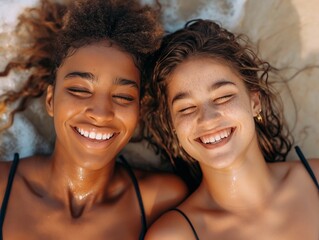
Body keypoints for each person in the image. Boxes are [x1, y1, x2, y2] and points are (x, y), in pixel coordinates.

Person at [0, 0, 188, 239]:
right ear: (50, 101)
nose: (100, 113)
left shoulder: (162, 200)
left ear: (139, 110)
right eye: (80, 90)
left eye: (122, 96)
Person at [142, 19, 319, 239]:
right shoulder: (175, 235)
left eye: (223, 96)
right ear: (173, 127)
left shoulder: (315, 180)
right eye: (186, 108)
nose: (207, 119)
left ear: (254, 102)